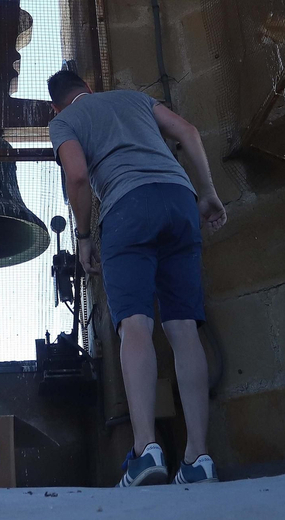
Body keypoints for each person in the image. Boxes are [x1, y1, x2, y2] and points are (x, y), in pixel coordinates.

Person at [47, 69, 227, 487]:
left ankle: (146, 451)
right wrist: (207, 193)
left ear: (55, 106)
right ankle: (200, 458)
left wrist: (85, 235)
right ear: (88, 88)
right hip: (180, 200)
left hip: (127, 206)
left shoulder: (64, 122)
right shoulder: (134, 98)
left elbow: (76, 175)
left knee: (135, 326)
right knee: (183, 327)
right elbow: (189, 132)